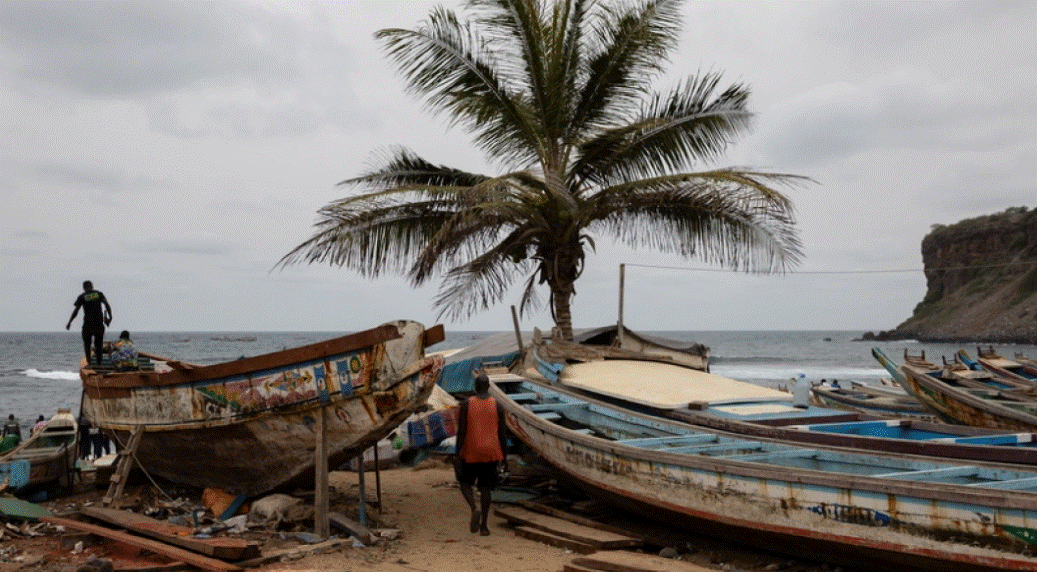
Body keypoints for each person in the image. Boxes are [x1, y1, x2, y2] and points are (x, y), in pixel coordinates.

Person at [455, 373, 508, 536]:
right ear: (488, 387)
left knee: (464, 482)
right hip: (491, 452)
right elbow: (502, 434)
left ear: (475, 387)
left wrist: (457, 454)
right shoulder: (498, 405)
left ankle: (473, 507)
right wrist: (504, 458)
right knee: (485, 488)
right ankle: (484, 526)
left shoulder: (466, 404)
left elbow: (462, 431)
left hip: (471, 451)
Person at [66, 280, 112, 366]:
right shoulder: (98, 294)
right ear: (92, 286)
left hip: (88, 324)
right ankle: (99, 364)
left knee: (87, 344)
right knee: (99, 344)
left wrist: (70, 322)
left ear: (83, 288)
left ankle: (89, 364)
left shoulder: (82, 296)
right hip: (98, 323)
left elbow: (76, 310)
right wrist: (110, 317)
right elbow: (106, 304)